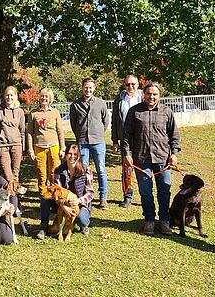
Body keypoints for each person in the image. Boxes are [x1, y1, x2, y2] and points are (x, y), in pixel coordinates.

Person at [120, 81, 180, 235]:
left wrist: (174, 154)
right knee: (145, 192)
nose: (151, 97)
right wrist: (127, 153)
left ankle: (164, 221)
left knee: (164, 191)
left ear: (159, 95)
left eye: (155, 94)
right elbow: (126, 135)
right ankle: (149, 220)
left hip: (162, 158)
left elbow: (174, 135)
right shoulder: (134, 112)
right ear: (143, 94)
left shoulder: (167, 112)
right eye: (148, 93)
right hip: (141, 159)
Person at [36, 144, 95, 239]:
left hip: (79, 203)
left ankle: (81, 225)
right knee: (44, 199)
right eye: (69, 154)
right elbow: (55, 192)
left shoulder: (86, 170)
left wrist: (78, 201)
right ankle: (43, 228)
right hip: (61, 203)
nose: (72, 157)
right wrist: (64, 207)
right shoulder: (58, 170)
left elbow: (90, 193)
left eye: (75, 154)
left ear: (79, 156)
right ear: (66, 154)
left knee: (82, 220)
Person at [69, 77, 109, 209]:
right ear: (82, 88)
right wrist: (80, 135)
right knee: (83, 171)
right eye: (86, 87)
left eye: (90, 87)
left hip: (98, 141)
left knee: (101, 169)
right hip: (82, 141)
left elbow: (105, 121)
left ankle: (103, 197)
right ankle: (85, 196)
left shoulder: (101, 103)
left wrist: (98, 132)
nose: (88, 89)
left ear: (94, 88)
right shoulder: (75, 105)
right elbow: (73, 123)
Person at [112, 74, 143, 208]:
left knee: (142, 169)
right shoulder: (119, 99)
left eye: (133, 84)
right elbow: (114, 121)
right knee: (127, 169)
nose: (130, 87)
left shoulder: (143, 97)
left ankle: (145, 196)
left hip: (142, 138)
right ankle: (127, 196)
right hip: (125, 139)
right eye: (127, 84)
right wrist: (115, 140)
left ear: (138, 84)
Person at [26, 88, 66, 193]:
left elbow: (60, 131)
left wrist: (62, 148)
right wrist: (30, 149)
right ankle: (43, 195)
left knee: (54, 172)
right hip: (39, 147)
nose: (44, 98)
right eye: (42, 96)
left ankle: (54, 194)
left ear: (50, 99)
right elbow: (29, 132)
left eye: (46, 96)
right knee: (41, 173)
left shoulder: (55, 112)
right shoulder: (33, 113)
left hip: (54, 146)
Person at [0, 85, 26, 183]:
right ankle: (8, 195)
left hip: (17, 145)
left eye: (11, 95)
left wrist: (23, 149)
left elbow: (22, 131)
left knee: (15, 174)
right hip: (3, 145)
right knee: (7, 175)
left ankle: (13, 197)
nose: (9, 97)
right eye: (7, 95)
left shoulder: (20, 112)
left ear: (15, 96)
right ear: (4, 96)